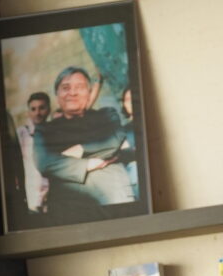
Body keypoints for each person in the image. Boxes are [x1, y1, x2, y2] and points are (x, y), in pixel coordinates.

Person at [33, 66, 135, 213]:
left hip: (112, 196)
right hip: (68, 206)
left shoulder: (106, 115)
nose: (72, 93)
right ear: (57, 96)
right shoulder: (45, 130)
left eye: (79, 87)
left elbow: (114, 142)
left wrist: (81, 149)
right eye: (66, 88)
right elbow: (45, 162)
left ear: (89, 92)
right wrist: (87, 164)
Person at [14, 90, 50, 215]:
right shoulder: (21, 133)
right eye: (33, 109)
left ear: (48, 109)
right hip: (30, 194)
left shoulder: (55, 132)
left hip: (51, 195)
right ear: (28, 112)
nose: (37, 113)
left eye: (42, 108)